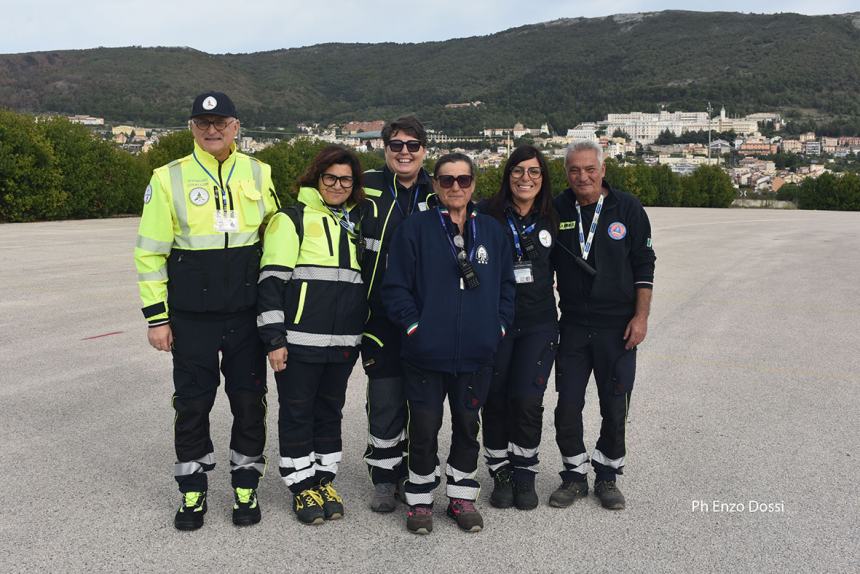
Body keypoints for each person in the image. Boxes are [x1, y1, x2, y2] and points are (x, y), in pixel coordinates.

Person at [134, 91, 280, 530]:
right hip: (191, 318)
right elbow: (149, 253)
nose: (212, 130)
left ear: (237, 125)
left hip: (245, 316)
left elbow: (273, 236)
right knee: (193, 405)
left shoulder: (259, 171)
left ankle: (245, 485)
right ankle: (193, 490)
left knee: (250, 402)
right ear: (191, 127)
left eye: (221, 122)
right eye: (203, 123)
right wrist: (157, 318)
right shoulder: (168, 177)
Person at [382, 153, 516, 534]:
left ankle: (461, 496)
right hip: (425, 352)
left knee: (467, 426)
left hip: (477, 353)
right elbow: (395, 289)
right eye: (446, 180)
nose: (455, 187)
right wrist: (415, 329)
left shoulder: (492, 231)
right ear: (436, 185)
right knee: (423, 427)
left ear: (474, 183)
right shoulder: (415, 228)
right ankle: (421, 500)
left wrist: (498, 327)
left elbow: (507, 287)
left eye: (463, 179)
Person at [256, 145, 367, 525]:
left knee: (329, 413)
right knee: (298, 413)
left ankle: (324, 479)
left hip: (342, 345)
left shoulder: (352, 222)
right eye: (330, 178)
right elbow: (271, 283)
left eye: (346, 180)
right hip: (299, 343)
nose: (338, 185)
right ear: (316, 177)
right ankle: (301, 485)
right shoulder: (292, 220)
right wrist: (274, 339)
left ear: (354, 185)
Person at [550, 140, 656, 510]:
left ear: (603, 169)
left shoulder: (626, 208)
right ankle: (574, 475)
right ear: (566, 173)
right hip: (575, 326)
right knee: (567, 407)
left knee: (614, 407)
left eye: (589, 169)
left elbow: (645, 264)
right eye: (575, 170)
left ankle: (608, 476)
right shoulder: (558, 207)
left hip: (619, 328)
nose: (583, 176)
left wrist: (641, 317)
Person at [358, 117, 435, 512]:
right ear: (383, 147)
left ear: (425, 149)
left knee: (422, 401)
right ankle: (385, 477)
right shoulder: (364, 186)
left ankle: (416, 472)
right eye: (395, 144)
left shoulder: (439, 190)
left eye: (413, 144)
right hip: (379, 318)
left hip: (426, 319)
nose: (404, 151)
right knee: (386, 399)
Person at [478, 145, 559, 510]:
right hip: (495, 323)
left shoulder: (554, 216)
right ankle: (501, 473)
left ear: (543, 179)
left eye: (534, 172)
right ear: (507, 174)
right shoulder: (486, 215)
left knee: (527, 400)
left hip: (539, 323)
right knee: (494, 398)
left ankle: (524, 472)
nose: (525, 178)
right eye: (518, 171)